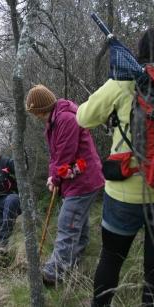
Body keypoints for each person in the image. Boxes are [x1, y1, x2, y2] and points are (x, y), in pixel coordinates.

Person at [76, 27, 154, 307]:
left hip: (126, 194)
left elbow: (83, 118)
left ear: (142, 51)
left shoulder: (125, 79)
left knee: (111, 260)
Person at [26, 85, 104, 285]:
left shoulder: (66, 119)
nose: (36, 117)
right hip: (78, 178)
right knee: (78, 220)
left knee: (67, 223)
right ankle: (75, 262)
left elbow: (64, 155)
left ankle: (53, 274)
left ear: (43, 109)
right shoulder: (54, 119)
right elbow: (56, 155)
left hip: (84, 179)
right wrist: (54, 177)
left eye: (36, 113)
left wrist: (55, 178)